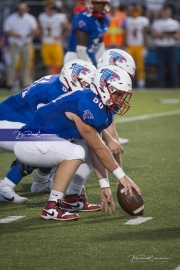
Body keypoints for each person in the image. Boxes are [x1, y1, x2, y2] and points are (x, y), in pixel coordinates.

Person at [13, 65, 141, 221]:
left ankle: (72, 199)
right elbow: (99, 148)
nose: (120, 100)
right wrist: (122, 177)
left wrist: (104, 185)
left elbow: (95, 148)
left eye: (122, 95)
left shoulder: (97, 103)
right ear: (104, 87)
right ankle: (52, 207)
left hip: (45, 141)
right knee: (77, 152)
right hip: (30, 141)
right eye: (118, 94)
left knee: (85, 147)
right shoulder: (87, 105)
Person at [0, 59, 96, 204]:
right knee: (45, 141)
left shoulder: (60, 83)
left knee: (55, 140)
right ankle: (5, 185)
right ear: (74, 80)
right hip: (4, 129)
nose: (89, 89)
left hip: (13, 125)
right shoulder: (56, 91)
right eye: (86, 84)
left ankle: (41, 182)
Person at [3, 1, 39, 90]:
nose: (22, 11)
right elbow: (6, 30)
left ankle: (25, 83)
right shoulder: (11, 18)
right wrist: (15, 34)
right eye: (20, 9)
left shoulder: (30, 19)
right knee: (13, 63)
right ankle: (10, 83)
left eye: (23, 9)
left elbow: (36, 30)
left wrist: (31, 33)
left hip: (26, 43)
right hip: (15, 43)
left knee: (27, 63)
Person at [64, 0, 110, 66]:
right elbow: (81, 49)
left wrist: (102, 64)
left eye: (103, 4)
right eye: (97, 4)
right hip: (75, 56)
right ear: (90, 3)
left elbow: (99, 44)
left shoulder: (106, 19)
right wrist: (90, 67)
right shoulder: (82, 18)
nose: (100, 6)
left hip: (90, 55)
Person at [151, 5, 180, 88]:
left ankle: (175, 85)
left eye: (167, 12)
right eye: (164, 12)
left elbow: (178, 36)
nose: (165, 14)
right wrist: (160, 34)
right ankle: (160, 85)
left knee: (173, 66)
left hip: (170, 46)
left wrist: (171, 34)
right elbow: (153, 35)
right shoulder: (157, 22)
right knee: (161, 67)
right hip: (160, 46)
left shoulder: (174, 23)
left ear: (170, 13)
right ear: (161, 13)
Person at [38, 0, 71, 75]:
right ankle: (50, 81)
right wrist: (40, 35)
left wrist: (61, 37)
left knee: (59, 65)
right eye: (46, 7)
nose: (47, 9)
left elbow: (69, 27)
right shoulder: (42, 16)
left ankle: (61, 81)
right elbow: (38, 26)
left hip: (55, 43)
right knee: (48, 65)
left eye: (49, 7)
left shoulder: (59, 17)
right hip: (45, 43)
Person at [125, 2, 149, 89]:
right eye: (133, 9)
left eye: (136, 9)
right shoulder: (127, 19)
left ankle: (141, 84)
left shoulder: (143, 20)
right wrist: (125, 46)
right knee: (128, 66)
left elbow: (144, 34)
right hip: (130, 45)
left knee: (140, 66)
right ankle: (126, 84)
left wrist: (145, 47)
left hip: (139, 45)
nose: (135, 11)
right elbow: (125, 33)